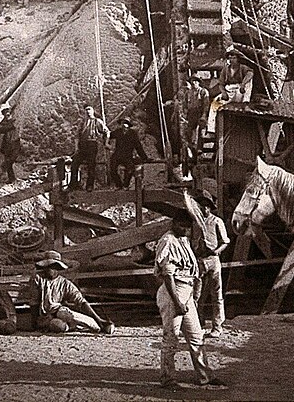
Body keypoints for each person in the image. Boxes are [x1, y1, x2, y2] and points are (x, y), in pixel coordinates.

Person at [154, 211, 218, 388]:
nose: (185, 229)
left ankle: (205, 375)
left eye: (188, 226)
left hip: (186, 291)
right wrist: (178, 302)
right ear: (174, 223)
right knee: (171, 338)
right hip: (173, 292)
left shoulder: (183, 239)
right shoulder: (168, 241)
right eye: (181, 225)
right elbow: (168, 277)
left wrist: (190, 298)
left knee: (196, 336)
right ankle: (167, 379)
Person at [24, 250, 113, 333]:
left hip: (58, 311)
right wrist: (35, 322)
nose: (49, 269)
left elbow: (81, 301)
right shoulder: (37, 279)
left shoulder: (64, 283)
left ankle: (100, 324)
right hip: (44, 317)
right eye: (47, 266)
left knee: (65, 314)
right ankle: (70, 327)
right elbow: (34, 302)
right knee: (57, 325)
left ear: (57, 268)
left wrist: (98, 319)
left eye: (53, 266)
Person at [184, 190, 229, 338]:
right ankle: (198, 324)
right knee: (196, 295)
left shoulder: (216, 221)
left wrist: (217, 251)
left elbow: (225, 241)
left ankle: (217, 326)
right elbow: (189, 241)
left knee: (216, 294)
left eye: (206, 206)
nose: (204, 209)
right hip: (199, 261)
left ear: (210, 207)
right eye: (201, 206)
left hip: (213, 260)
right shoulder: (195, 223)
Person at [72, 105, 108, 191]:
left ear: (93, 111)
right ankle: (73, 184)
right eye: (86, 110)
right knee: (74, 163)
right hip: (82, 146)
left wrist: (106, 142)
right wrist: (76, 148)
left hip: (92, 144)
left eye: (89, 110)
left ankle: (89, 185)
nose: (88, 112)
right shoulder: (82, 123)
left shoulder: (97, 121)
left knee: (91, 165)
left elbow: (106, 131)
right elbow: (77, 136)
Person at [108, 117, 148, 189]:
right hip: (117, 154)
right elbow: (109, 135)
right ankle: (118, 185)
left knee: (130, 169)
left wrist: (144, 157)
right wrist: (106, 134)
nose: (124, 124)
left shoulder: (132, 134)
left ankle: (125, 185)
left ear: (129, 125)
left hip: (127, 155)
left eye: (126, 123)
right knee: (112, 169)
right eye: (122, 123)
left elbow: (138, 146)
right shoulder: (118, 131)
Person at [0, 106, 22, 184]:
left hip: (15, 143)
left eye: (8, 112)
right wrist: (6, 122)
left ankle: (12, 177)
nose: (6, 114)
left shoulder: (14, 120)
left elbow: (12, 126)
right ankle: (11, 179)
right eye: (5, 113)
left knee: (10, 161)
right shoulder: (5, 122)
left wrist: (8, 122)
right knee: (8, 162)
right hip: (7, 144)